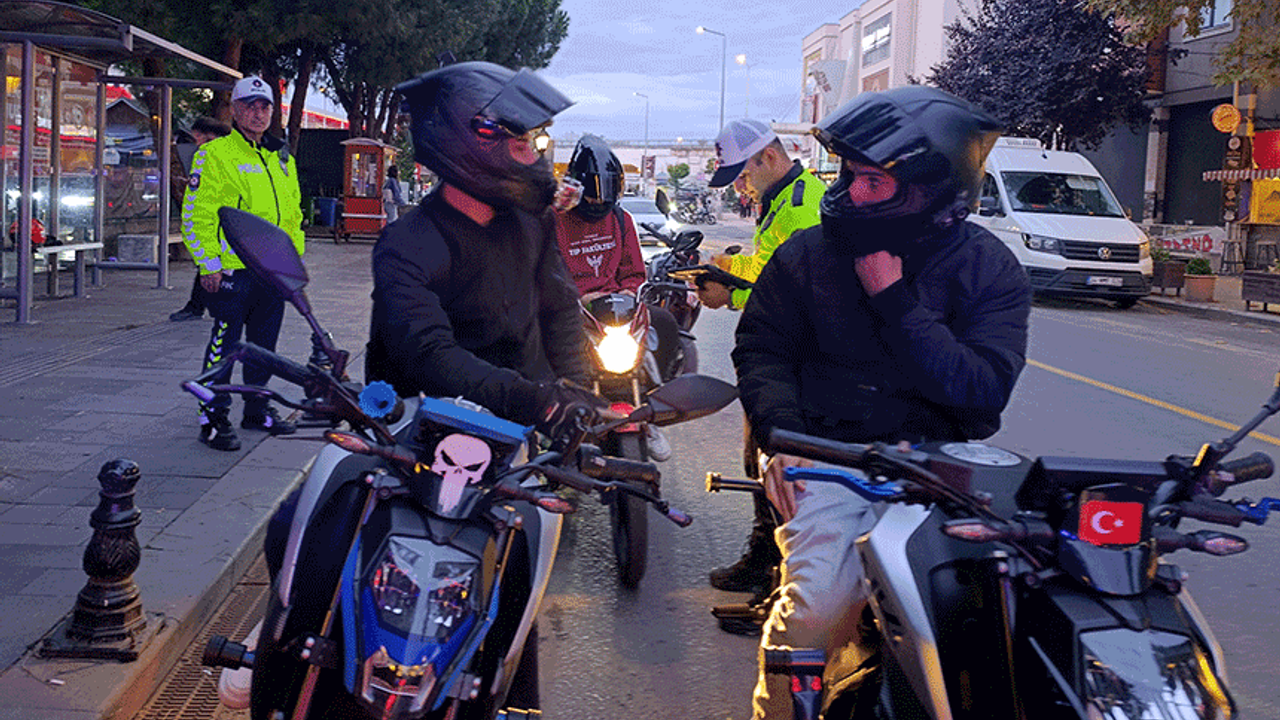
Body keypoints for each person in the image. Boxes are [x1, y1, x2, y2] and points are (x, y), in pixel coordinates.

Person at [732, 86, 1032, 719]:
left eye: (876, 182)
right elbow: (763, 352)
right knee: (815, 610)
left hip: (945, 468)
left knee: (995, 614)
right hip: (826, 458)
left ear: (931, 187)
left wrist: (897, 303)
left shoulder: (989, 268)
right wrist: (780, 441)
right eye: (852, 175)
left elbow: (981, 395)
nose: (852, 193)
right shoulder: (808, 255)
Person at [364, 60, 601, 437]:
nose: (533, 157)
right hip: (431, 428)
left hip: (524, 430)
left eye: (532, 143)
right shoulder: (407, 243)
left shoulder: (534, 222)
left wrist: (576, 392)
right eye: (520, 144)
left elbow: (560, 311)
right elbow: (428, 353)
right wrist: (539, 400)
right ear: (471, 144)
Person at [699, 118, 826, 599]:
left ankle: (780, 576)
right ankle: (768, 561)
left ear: (769, 158)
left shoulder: (800, 207)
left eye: (744, 173)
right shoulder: (784, 198)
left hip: (794, 358)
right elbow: (769, 266)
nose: (740, 183)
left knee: (779, 462)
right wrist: (729, 269)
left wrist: (726, 292)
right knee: (763, 459)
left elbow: (787, 289)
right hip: (781, 351)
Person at [182, 77, 303, 451]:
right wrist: (209, 264)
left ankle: (256, 408)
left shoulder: (282, 160)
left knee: (264, 346)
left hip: (272, 273)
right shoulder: (216, 155)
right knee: (225, 344)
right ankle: (213, 414)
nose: (257, 112)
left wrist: (292, 265)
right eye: (249, 105)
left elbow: (293, 217)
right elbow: (198, 214)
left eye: (264, 106)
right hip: (233, 271)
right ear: (234, 110)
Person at [551, 133, 679, 461]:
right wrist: (579, 296)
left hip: (615, 307)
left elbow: (635, 271)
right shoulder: (554, 221)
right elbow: (545, 274)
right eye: (590, 202)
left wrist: (626, 291)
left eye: (603, 203)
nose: (597, 208)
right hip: (571, 308)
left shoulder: (622, 220)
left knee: (664, 324)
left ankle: (650, 410)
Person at [170, 116, 232, 322]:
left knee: (209, 264)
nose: (196, 141)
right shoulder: (234, 151)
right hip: (227, 219)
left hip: (214, 220)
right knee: (213, 264)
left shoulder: (210, 153)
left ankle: (198, 306)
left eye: (198, 137)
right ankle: (208, 305)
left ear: (209, 135)